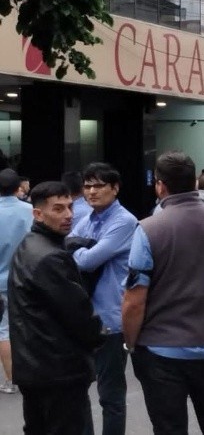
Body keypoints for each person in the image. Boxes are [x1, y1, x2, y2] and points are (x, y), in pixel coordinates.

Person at [124, 152, 204, 434]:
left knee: (169, 427)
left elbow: (134, 299)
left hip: (161, 349)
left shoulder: (147, 229)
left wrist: (131, 342)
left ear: (160, 185)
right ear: (194, 182)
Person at [9, 181, 105, 434]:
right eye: (58, 209)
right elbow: (79, 315)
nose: (68, 215)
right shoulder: (50, 258)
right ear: (38, 213)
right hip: (59, 369)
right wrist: (100, 336)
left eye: (70, 207)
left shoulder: (30, 245)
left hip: (34, 366)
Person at [69, 162, 137, 435]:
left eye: (98, 185)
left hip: (110, 318)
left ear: (115, 188)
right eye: (87, 186)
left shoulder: (124, 221)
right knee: (78, 389)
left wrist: (76, 249)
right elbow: (68, 250)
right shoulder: (86, 219)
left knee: (111, 395)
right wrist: (77, 249)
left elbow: (86, 261)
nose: (92, 191)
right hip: (84, 316)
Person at [0, 168, 33, 394]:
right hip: (26, 278)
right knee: (24, 327)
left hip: (0, 281)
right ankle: (22, 376)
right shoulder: (32, 211)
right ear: (18, 188)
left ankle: (12, 380)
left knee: (3, 331)